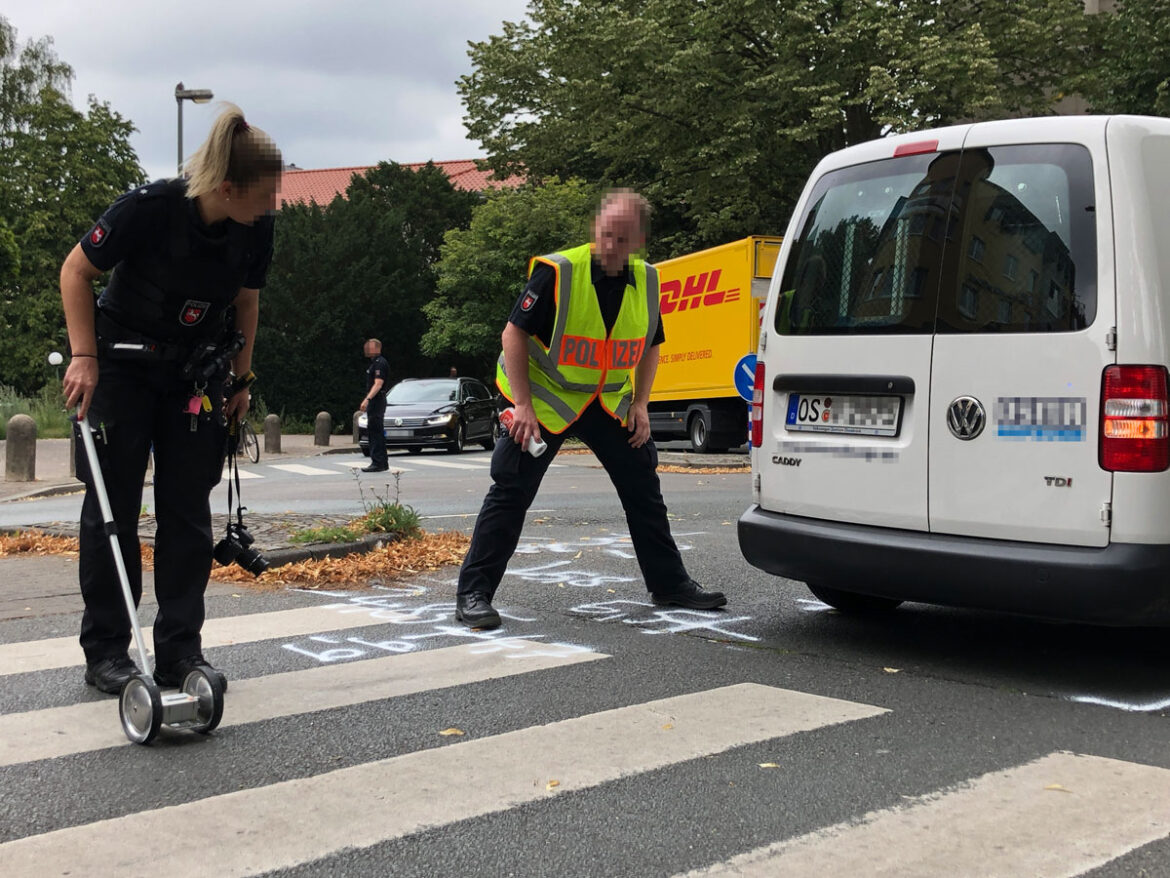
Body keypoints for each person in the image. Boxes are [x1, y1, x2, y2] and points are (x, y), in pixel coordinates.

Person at [59, 103, 280, 694]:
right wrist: (84, 357)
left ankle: (181, 652)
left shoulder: (256, 228)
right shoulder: (150, 209)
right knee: (114, 513)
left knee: (187, 518)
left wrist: (240, 380)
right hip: (122, 373)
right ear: (227, 187)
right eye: (263, 195)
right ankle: (107, 650)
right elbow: (74, 273)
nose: (271, 207)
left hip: (192, 377)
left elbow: (246, 305)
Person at [455, 189, 727, 629]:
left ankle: (670, 585)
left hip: (606, 401)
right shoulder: (558, 273)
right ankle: (473, 594)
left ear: (638, 240)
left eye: (621, 239)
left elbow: (652, 346)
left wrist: (641, 403)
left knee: (643, 487)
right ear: (595, 228)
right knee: (510, 492)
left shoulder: (648, 281)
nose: (610, 245)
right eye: (605, 234)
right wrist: (521, 404)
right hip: (543, 398)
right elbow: (513, 334)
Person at [360, 338, 390, 472]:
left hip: (377, 401)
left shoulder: (379, 363)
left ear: (377, 348)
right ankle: (382, 462)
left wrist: (367, 399)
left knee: (375, 432)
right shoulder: (375, 363)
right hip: (377, 401)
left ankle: (377, 462)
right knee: (376, 431)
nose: (367, 349)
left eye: (370, 347)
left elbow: (378, 384)